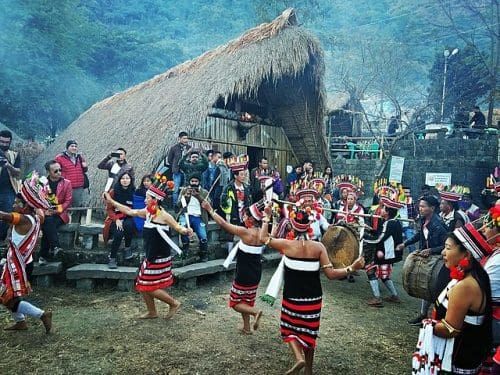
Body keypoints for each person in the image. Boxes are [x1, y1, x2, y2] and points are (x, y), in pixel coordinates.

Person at [259, 203, 364, 375]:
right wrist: (351, 268)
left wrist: (266, 217)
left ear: (292, 226)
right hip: (312, 301)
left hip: (292, 298)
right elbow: (330, 274)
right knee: (309, 335)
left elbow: (263, 238)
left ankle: (298, 358)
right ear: (309, 226)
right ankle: (308, 370)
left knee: (288, 329)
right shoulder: (319, 248)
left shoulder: (287, 245)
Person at [103, 181, 192, 319]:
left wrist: (186, 230)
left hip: (159, 255)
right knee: (141, 283)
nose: (144, 200)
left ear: (155, 200)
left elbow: (178, 227)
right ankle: (152, 312)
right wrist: (112, 201)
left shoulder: (164, 215)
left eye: (147, 198)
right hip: (150, 253)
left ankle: (173, 303)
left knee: (147, 285)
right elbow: (129, 211)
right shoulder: (148, 212)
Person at [412, 230, 492, 374]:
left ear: (466, 254)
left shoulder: (465, 286)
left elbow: (450, 329)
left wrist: (428, 325)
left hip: (457, 357)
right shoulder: (469, 278)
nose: (443, 252)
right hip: (462, 353)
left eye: (448, 248)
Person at [202, 199, 265, 335]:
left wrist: (210, 209)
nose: (243, 217)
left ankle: (255, 312)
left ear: (251, 218)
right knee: (246, 300)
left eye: (246, 215)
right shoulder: (263, 234)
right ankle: (246, 327)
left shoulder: (245, 232)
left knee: (235, 303)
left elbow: (223, 224)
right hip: (256, 272)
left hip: (244, 272)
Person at [0, 173, 53, 332]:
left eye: (16, 203)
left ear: (24, 206)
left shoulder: (22, 219)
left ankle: (42, 314)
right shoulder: (37, 218)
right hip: (23, 262)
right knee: (10, 297)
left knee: (7, 298)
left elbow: (4, 216)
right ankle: (21, 322)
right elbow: (40, 213)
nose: (13, 205)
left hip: (18, 265)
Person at [397, 195, 448, 325]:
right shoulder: (423, 220)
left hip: (440, 260)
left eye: (423, 206)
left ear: (432, 208)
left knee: (436, 288)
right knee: (425, 286)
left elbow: (446, 245)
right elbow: (419, 236)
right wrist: (405, 243)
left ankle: (437, 318)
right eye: (419, 206)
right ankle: (423, 315)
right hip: (428, 257)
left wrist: (431, 250)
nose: (420, 208)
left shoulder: (439, 225)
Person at [363, 195, 404, 307]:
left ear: (387, 212)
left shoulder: (389, 223)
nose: (381, 210)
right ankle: (394, 296)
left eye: (383, 208)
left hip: (385, 253)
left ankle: (377, 298)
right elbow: (382, 234)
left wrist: (363, 238)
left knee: (370, 270)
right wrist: (371, 230)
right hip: (388, 253)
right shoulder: (393, 222)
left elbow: (379, 239)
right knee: (384, 276)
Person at [39, 160, 73, 264]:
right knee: (48, 221)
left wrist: (55, 210)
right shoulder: (41, 183)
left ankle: (44, 255)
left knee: (48, 224)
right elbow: (37, 200)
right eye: (55, 171)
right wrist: (44, 211)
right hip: (45, 213)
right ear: (48, 172)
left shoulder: (66, 183)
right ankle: (56, 248)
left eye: (60, 170)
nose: (59, 172)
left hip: (60, 214)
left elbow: (68, 201)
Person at [219, 155, 252, 254]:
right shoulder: (229, 188)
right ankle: (230, 253)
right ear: (235, 176)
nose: (243, 176)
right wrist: (229, 212)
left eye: (244, 174)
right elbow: (223, 201)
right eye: (241, 174)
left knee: (244, 232)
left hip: (243, 213)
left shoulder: (246, 188)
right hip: (233, 213)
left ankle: (243, 252)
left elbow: (249, 201)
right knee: (231, 233)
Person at [103, 172, 136, 268]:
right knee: (118, 233)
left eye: (127, 178)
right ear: (120, 180)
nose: (125, 180)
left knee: (129, 225)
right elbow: (109, 209)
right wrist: (116, 219)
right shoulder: (113, 192)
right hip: (115, 218)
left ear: (131, 180)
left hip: (128, 216)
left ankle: (127, 248)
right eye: (123, 178)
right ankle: (112, 257)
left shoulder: (133, 191)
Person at [177, 174, 210, 262]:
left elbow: (208, 205)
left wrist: (198, 196)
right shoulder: (184, 190)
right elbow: (178, 205)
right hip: (185, 215)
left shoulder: (204, 192)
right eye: (192, 181)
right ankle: (185, 251)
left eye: (196, 181)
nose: (194, 183)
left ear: (199, 182)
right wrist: (186, 198)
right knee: (183, 231)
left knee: (203, 236)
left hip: (198, 216)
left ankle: (203, 254)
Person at [55, 140, 88, 224]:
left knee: (77, 207)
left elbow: (84, 170)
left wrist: (85, 167)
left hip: (78, 186)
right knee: (61, 206)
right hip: (65, 186)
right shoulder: (60, 158)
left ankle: (75, 227)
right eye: (72, 146)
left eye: (75, 146)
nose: (74, 148)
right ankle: (61, 225)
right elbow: (55, 170)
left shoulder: (80, 157)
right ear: (67, 147)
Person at [0, 130, 21, 242]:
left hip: (9, 190)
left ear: (10, 142)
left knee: (8, 216)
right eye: (1, 141)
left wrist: (8, 166)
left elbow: (18, 172)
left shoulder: (14, 155)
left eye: (6, 142)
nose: (3, 144)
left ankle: (2, 242)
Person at [167, 132, 191, 206]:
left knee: (186, 189)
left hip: (186, 172)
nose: (186, 140)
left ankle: (184, 205)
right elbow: (169, 160)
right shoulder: (174, 148)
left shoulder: (189, 148)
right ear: (179, 139)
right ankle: (175, 205)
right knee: (176, 189)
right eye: (184, 138)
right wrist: (175, 166)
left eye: (187, 138)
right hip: (177, 172)